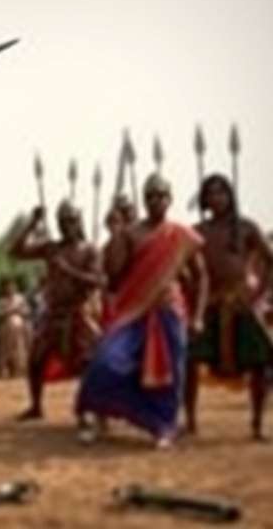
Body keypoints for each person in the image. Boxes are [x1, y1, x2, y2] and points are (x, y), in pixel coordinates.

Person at [76, 174, 208, 448]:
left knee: (171, 371)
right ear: (144, 200)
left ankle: (164, 426)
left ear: (170, 199)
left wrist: (197, 315)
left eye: (161, 195)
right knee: (106, 362)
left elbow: (201, 276)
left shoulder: (181, 234)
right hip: (132, 310)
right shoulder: (131, 233)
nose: (156, 200)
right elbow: (114, 276)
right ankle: (113, 415)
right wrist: (116, 236)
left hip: (168, 308)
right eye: (150, 195)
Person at [187, 174, 273, 440]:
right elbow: (185, 269)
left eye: (222, 193)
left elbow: (270, 260)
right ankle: (190, 421)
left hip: (241, 304)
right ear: (204, 198)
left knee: (262, 361)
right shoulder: (198, 231)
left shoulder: (246, 228)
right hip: (209, 304)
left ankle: (257, 423)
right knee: (189, 359)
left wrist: (260, 295)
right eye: (211, 194)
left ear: (230, 196)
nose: (217, 199)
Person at [9, 200, 103, 421]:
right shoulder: (51, 248)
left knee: (88, 361)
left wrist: (68, 270)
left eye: (70, 221)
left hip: (80, 312)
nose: (66, 226)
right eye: (62, 222)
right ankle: (36, 406)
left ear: (78, 222)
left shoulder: (90, 250)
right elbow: (15, 251)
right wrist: (33, 223)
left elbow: (97, 280)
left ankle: (89, 409)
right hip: (53, 314)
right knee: (35, 360)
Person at [0, 277, 30, 378]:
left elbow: (27, 311)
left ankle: (20, 370)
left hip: (19, 327)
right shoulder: (1, 301)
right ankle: (4, 371)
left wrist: (19, 311)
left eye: (12, 286)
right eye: (8, 286)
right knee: (5, 350)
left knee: (19, 349)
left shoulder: (21, 299)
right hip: (6, 328)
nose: (10, 288)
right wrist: (9, 311)